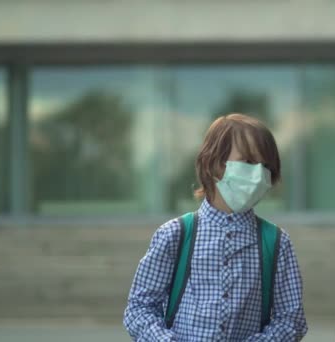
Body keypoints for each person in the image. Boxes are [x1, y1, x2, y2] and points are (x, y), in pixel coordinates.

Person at [124, 113, 308, 341]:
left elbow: (291, 319)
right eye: (248, 162)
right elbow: (139, 308)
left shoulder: (277, 243)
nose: (258, 174)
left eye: (266, 166)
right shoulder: (175, 234)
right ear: (214, 164)